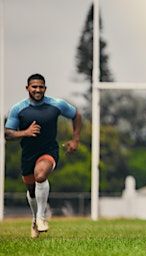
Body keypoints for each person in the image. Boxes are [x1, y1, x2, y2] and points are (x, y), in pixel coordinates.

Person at [4, 73, 82, 238]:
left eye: (41, 87)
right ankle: (34, 219)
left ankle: (41, 217)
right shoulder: (18, 109)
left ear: (45, 88)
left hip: (49, 151)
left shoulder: (56, 104)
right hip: (28, 155)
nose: (38, 90)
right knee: (31, 190)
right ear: (27, 88)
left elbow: (76, 115)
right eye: (34, 87)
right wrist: (25, 132)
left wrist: (75, 140)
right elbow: (7, 134)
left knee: (40, 175)